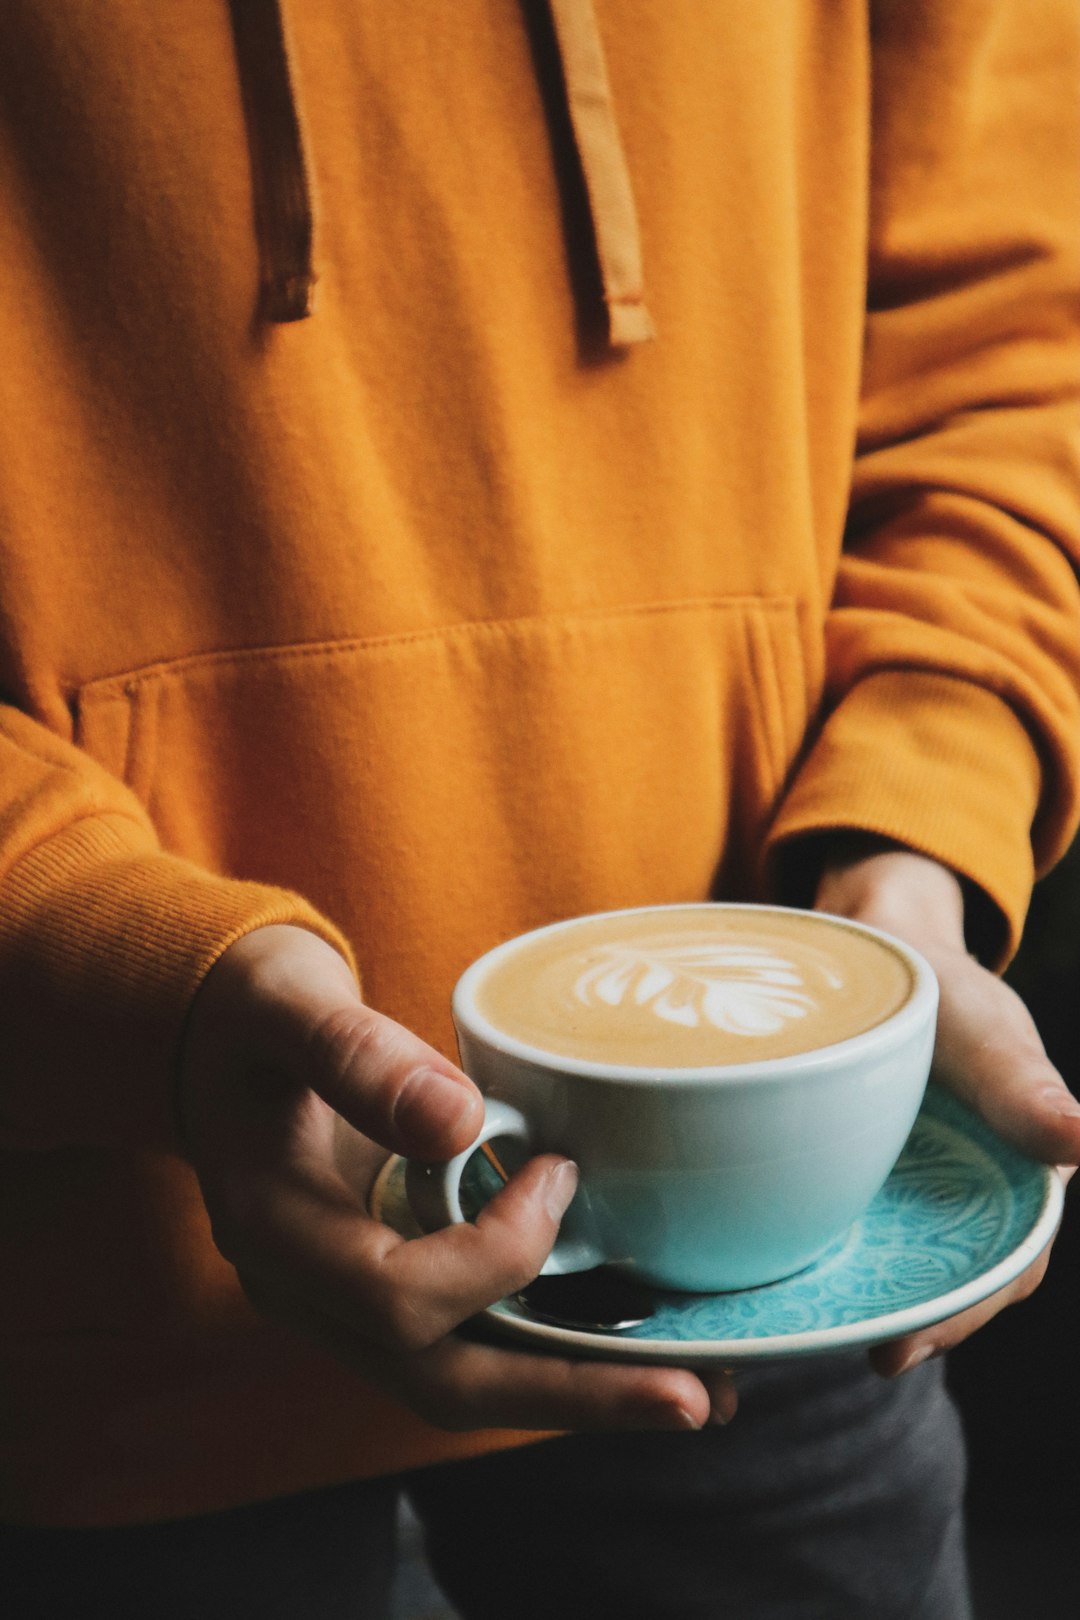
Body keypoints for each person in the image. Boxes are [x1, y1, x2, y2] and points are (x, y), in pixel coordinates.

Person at [1, 2, 1078, 1615]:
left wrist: (912, 844)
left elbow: (1010, 353)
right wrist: (114, 963)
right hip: (100, 1303)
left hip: (792, 1294)